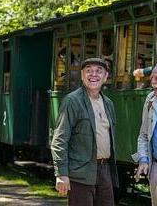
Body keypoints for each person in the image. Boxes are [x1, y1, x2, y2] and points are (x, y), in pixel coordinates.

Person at [51, 57, 119, 206]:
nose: (93, 75)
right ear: (82, 75)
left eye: (98, 71)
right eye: (88, 71)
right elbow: (59, 140)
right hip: (80, 173)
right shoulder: (72, 101)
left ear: (106, 76)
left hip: (104, 170)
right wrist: (61, 173)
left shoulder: (108, 103)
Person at [133, 63, 157, 205]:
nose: (154, 82)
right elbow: (143, 135)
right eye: (152, 78)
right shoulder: (150, 99)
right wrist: (143, 159)